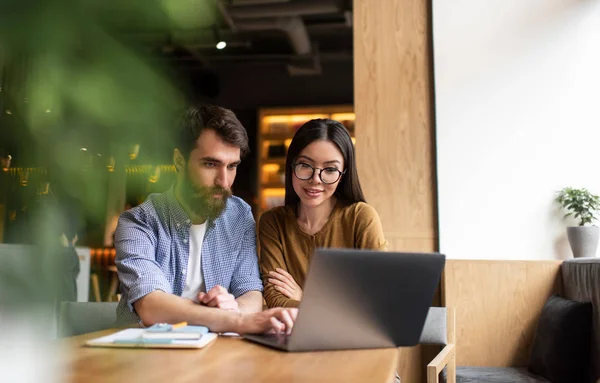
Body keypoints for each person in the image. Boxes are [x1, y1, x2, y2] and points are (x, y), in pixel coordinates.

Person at [115, 104, 296, 334]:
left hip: (214, 355)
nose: (224, 181)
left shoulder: (239, 216)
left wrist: (234, 307)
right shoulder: (138, 222)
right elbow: (150, 305)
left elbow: (250, 292)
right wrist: (233, 319)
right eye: (211, 164)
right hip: (141, 356)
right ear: (179, 160)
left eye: (232, 166)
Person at [259, 119, 387, 308]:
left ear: (344, 173)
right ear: (291, 166)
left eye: (330, 169)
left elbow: (375, 300)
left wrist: (306, 298)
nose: (315, 179)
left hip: (351, 338)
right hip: (292, 335)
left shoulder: (361, 217)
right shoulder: (273, 222)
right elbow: (276, 300)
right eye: (305, 165)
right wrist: (337, 306)